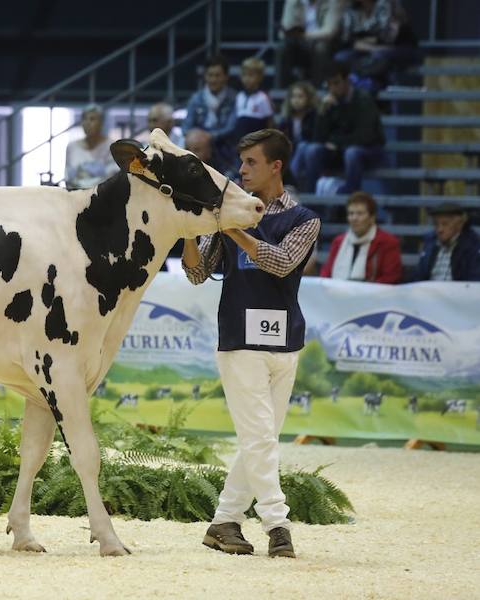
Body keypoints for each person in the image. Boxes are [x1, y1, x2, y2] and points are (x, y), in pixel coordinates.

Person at [183, 129, 320, 559]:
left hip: (285, 341)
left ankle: (224, 522)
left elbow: (280, 264)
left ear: (275, 166)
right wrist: (192, 228)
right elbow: (196, 273)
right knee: (261, 437)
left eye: (251, 163)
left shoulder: (304, 219)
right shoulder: (227, 216)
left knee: (258, 438)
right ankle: (278, 525)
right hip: (239, 339)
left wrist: (234, 226)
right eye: (241, 163)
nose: (241, 171)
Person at [296, 61, 385, 194]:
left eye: (336, 83)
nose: (332, 88)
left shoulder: (363, 99)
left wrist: (336, 142)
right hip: (340, 151)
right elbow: (319, 139)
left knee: (352, 152)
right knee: (312, 150)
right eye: (329, 84)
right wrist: (322, 113)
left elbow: (364, 136)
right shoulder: (328, 102)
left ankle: (349, 195)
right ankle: (311, 200)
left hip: (369, 150)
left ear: (347, 81)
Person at [320, 191, 403, 283]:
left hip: (372, 296)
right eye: (351, 213)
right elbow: (326, 274)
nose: (354, 218)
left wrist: (361, 292)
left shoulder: (388, 242)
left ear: (372, 217)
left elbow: (391, 277)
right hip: (337, 295)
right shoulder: (338, 242)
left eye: (360, 213)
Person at [182, 55, 237, 176]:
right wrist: (199, 137)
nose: (213, 79)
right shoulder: (196, 98)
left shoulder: (234, 98)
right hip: (200, 145)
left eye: (217, 75)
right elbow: (186, 127)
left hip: (225, 149)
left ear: (226, 77)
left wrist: (210, 136)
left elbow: (232, 127)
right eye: (210, 75)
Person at [277, 0, 344, 87]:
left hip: (325, 42)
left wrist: (303, 35)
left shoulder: (332, 2)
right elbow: (284, 31)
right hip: (300, 44)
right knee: (283, 46)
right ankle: (283, 89)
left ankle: (317, 88)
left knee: (320, 48)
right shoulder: (293, 1)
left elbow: (329, 32)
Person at [412, 203, 480, 282]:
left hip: (457, 292)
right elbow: (418, 276)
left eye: (445, 224)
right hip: (429, 292)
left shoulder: (472, 246)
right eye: (436, 224)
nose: (439, 230)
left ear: (459, 225)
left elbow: (473, 281)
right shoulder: (429, 243)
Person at [64, 104, 118, 190]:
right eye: (84, 119)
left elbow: (111, 178)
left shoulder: (112, 146)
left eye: (92, 119)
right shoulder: (72, 147)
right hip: (76, 197)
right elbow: (68, 178)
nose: (87, 123)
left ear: (101, 123)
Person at [276, 81, 318, 183]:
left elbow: (315, 137)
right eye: (294, 97)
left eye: (300, 97)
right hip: (291, 151)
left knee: (302, 146)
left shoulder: (314, 116)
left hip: (308, 151)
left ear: (308, 99)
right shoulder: (287, 119)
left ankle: (291, 182)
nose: (296, 100)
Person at [234, 57, 275, 140]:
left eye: (251, 75)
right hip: (241, 138)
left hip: (257, 137)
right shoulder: (239, 96)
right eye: (244, 75)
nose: (247, 79)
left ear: (260, 77)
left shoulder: (263, 97)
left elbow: (269, 122)